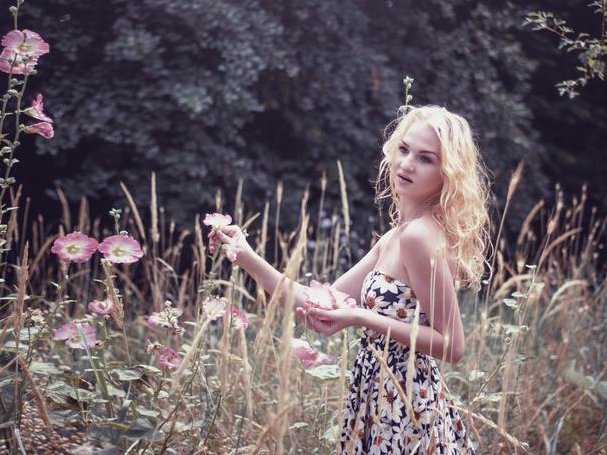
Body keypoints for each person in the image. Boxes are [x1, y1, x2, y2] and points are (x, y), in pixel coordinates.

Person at [208, 104, 490, 454]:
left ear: (447, 172)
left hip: (406, 407)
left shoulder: (420, 237)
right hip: (375, 397)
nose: (406, 164)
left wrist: (359, 317)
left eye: (425, 158)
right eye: (403, 149)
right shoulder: (395, 237)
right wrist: (245, 254)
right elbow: (318, 302)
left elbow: (452, 345)